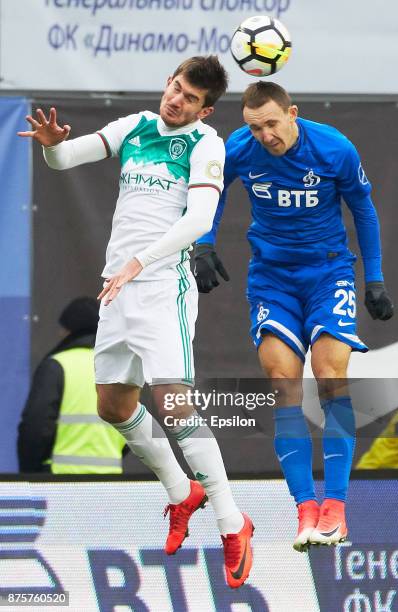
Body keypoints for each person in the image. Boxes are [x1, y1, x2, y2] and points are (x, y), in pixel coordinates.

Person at [18, 56, 253, 588]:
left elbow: (198, 220)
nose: (176, 100)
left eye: (189, 98)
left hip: (159, 286)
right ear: (167, 83)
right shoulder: (135, 126)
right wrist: (54, 144)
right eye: (175, 88)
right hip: (117, 287)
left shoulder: (205, 145)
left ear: (205, 108)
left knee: (173, 403)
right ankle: (181, 492)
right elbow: (64, 160)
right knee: (113, 405)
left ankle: (232, 523)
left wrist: (139, 262)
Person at [194, 81, 394, 552]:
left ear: (292, 114)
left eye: (270, 124)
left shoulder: (333, 148)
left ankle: (336, 509)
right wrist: (204, 242)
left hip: (328, 273)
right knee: (283, 381)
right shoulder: (239, 148)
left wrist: (375, 279)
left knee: (329, 376)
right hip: (272, 279)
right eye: (253, 127)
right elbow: (214, 190)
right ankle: (305, 507)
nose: (264, 135)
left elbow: (362, 208)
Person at [18, 297, 126, 474]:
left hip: (61, 481)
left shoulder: (57, 366)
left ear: (68, 331)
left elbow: (35, 426)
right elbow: (134, 426)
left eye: (62, 329)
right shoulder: (118, 368)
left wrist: (31, 472)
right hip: (111, 482)